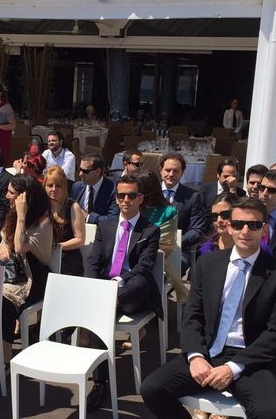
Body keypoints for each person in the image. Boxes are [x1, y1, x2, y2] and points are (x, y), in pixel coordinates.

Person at [141, 197, 276, 419]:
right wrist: (195, 356)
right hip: (209, 351)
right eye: (238, 224)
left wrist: (232, 368)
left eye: (253, 225)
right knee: (153, 388)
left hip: (252, 359)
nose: (245, 231)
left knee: (268, 412)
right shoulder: (209, 263)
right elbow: (193, 314)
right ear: (228, 227)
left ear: (264, 229)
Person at [84, 175, 161, 412]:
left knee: (139, 283)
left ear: (140, 198)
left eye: (131, 195)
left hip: (131, 288)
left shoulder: (150, 229)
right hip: (106, 289)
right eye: (121, 196)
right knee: (101, 309)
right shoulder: (106, 225)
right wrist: (95, 284)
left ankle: (104, 303)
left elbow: (144, 267)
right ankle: (100, 382)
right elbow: (93, 260)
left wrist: (117, 284)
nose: (125, 200)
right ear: (116, 199)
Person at [0, 174, 53, 384]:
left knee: (3, 302)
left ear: (24, 198)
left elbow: (19, 246)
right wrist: (2, 249)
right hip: (9, 274)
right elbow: (4, 243)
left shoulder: (42, 222)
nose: (7, 196)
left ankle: (5, 359)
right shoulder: (11, 215)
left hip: (32, 278)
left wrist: (21, 215)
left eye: (12, 193)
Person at [134, 169, 183, 299]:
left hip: (156, 262)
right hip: (130, 257)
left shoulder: (168, 211)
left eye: (136, 192)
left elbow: (166, 245)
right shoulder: (133, 207)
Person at [160, 152, 210, 275]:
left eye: (176, 171)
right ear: (160, 170)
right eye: (167, 170)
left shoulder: (192, 197)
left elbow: (197, 229)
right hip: (149, 247)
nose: (171, 174)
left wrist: (176, 242)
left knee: (166, 275)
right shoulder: (150, 193)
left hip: (179, 250)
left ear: (182, 172)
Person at [44, 166, 85, 276]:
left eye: (58, 186)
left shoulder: (73, 207)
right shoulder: (41, 206)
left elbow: (80, 240)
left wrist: (56, 247)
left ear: (64, 188)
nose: (53, 189)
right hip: (44, 259)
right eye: (49, 185)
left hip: (68, 261)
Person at [70, 153, 119, 224]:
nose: (80, 174)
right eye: (80, 169)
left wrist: (88, 217)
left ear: (98, 171)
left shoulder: (112, 190)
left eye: (85, 171)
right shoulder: (76, 187)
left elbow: (112, 219)